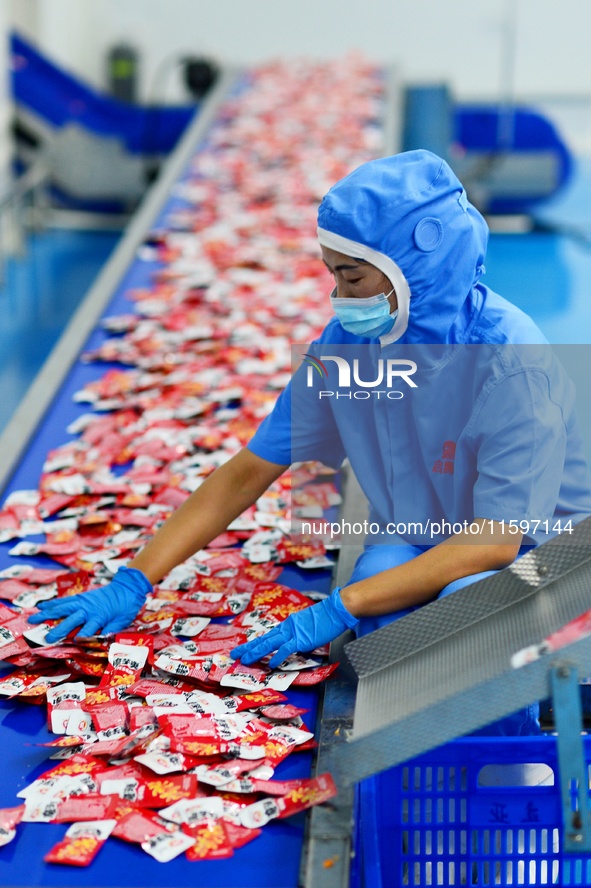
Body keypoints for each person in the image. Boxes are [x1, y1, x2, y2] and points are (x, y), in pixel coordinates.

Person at [29, 150, 591, 735]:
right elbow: (251, 469)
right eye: (333, 276)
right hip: (421, 533)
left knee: (467, 625)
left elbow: (493, 544)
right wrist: (135, 580)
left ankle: (517, 732)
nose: (340, 297)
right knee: (386, 636)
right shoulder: (347, 347)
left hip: (528, 551)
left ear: (415, 270)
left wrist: (339, 606)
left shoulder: (510, 365)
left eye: (352, 276)